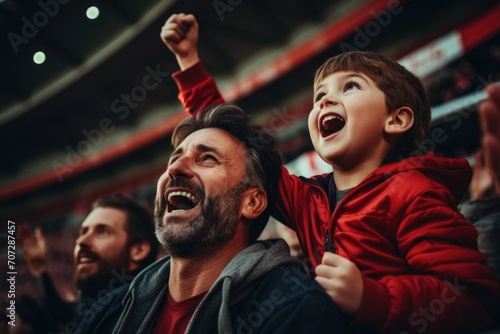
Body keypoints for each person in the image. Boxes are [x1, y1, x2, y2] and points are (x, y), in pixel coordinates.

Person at [160, 13, 500, 333]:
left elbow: (474, 298)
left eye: (349, 87)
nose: (323, 101)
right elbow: (235, 141)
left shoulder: (416, 193)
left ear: (396, 120)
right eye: (319, 95)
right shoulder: (306, 200)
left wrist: (373, 299)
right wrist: (189, 63)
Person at [77, 104, 349, 334]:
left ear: (251, 202)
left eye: (207, 158)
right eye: (176, 157)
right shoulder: (108, 312)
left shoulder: (296, 311)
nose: (174, 168)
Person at [18, 194, 159, 333]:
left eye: (102, 232)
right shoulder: (94, 301)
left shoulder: (145, 310)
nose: (81, 241)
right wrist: (38, 268)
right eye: (83, 232)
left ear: (139, 250)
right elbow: (63, 313)